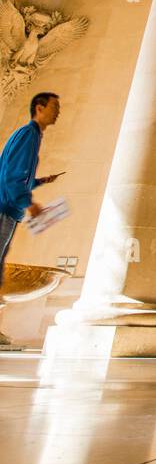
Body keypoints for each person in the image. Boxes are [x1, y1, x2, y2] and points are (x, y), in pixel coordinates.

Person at [0, 92, 63, 348]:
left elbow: (14, 173)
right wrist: (31, 203)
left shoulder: (33, 136)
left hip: (9, 209)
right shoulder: (28, 135)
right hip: (5, 208)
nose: (58, 112)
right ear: (39, 107)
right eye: (55, 107)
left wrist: (39, 181)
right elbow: (11, 176)